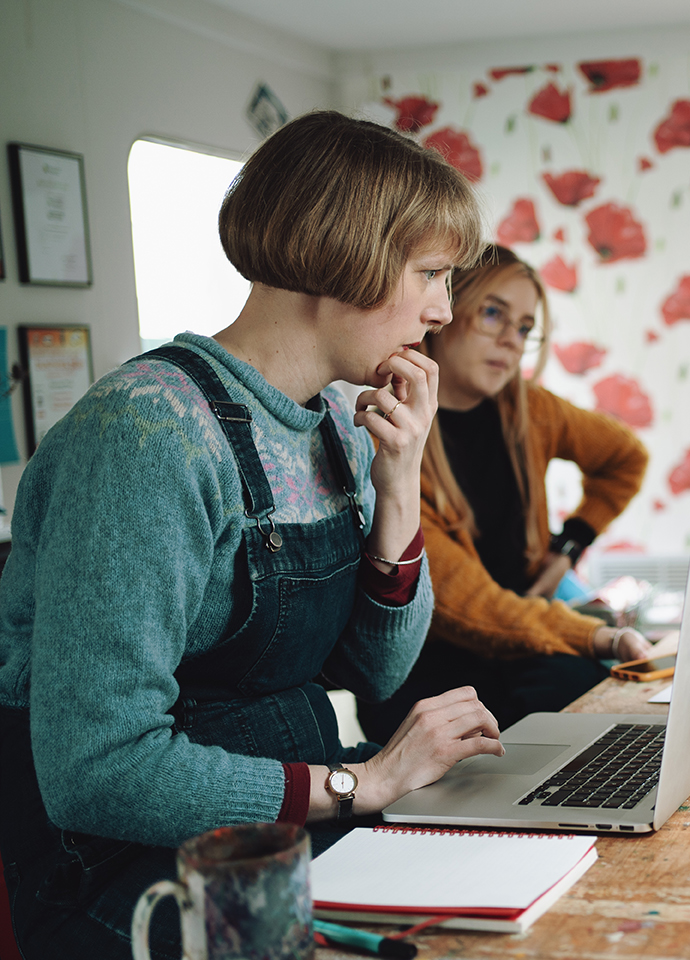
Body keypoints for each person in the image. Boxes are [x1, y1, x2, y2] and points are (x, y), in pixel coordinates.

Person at [0, 111, 505, 960]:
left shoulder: (338, 425)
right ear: (342, 255)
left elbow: (375, 669)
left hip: (295, 831)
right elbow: (98, 768)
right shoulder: (148, 434)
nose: (444, 311)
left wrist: (400, 479)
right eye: (430, 273)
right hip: (141, 875)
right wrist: (364, 781)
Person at [357, 247, 650, 741]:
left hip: (524, 645)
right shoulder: (392, 432)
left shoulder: (530, 409)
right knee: (584, 699)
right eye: (493, 313)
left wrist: (568, 547)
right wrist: (601, 636)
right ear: (447, 310)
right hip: (431, 677)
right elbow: (472, 605)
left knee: (609, 707)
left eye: (523, 327)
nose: (510, 341)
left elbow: (625, 459)